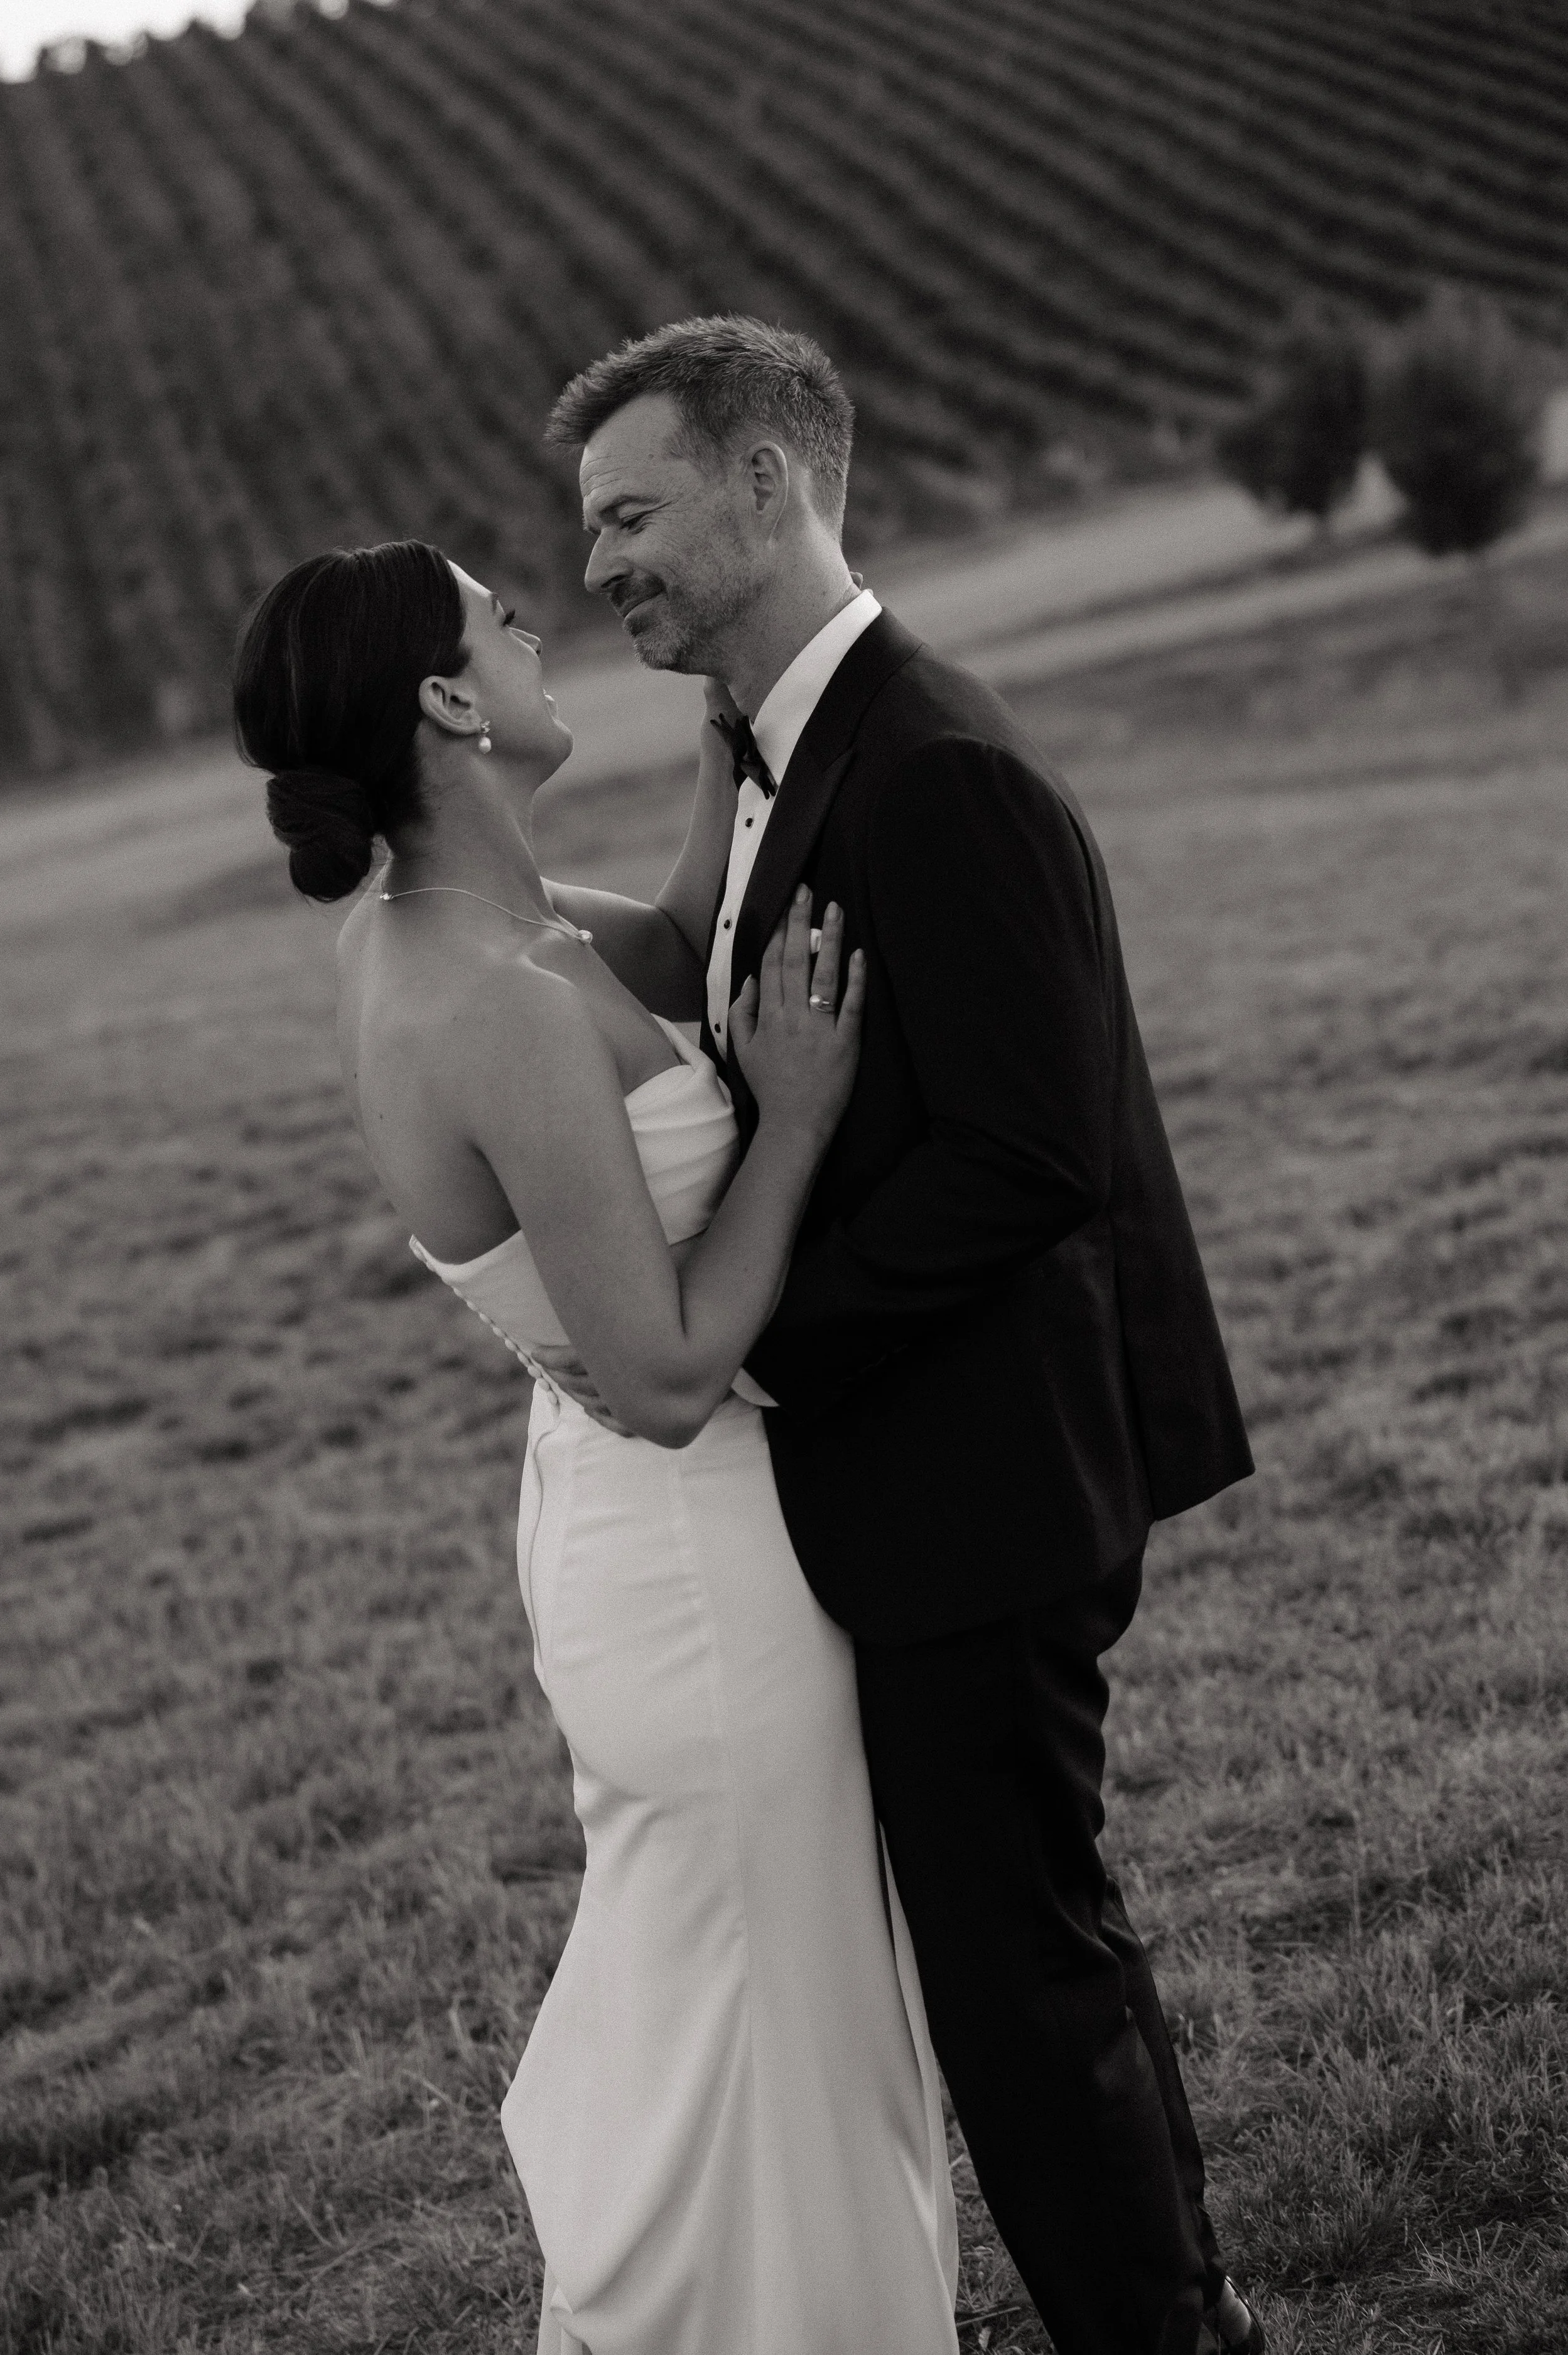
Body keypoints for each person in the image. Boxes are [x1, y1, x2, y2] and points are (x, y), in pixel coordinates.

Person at [543, 316, 1265, 2355]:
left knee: (1013, 1967)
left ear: (768, 484)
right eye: (586, 529)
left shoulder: (932, 763)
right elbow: (699, 966)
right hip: (932, 1459)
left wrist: (759, 1341)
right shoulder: (777, 744)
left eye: (631, 512)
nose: (601, 565)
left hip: (991, 1472)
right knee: (1022, 1942)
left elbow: (1033, 1154)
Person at [234, 539, 961, 2355]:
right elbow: (660, 1369)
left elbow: (659, 945)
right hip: (694, 1553)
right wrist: (790, 1119)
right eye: (497, 617)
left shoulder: (466, 924)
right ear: (446, 701)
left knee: (750, 1989)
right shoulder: (483, 994)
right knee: (769, 2017)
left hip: (638, 1534)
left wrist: (736, 739)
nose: (538, 630)